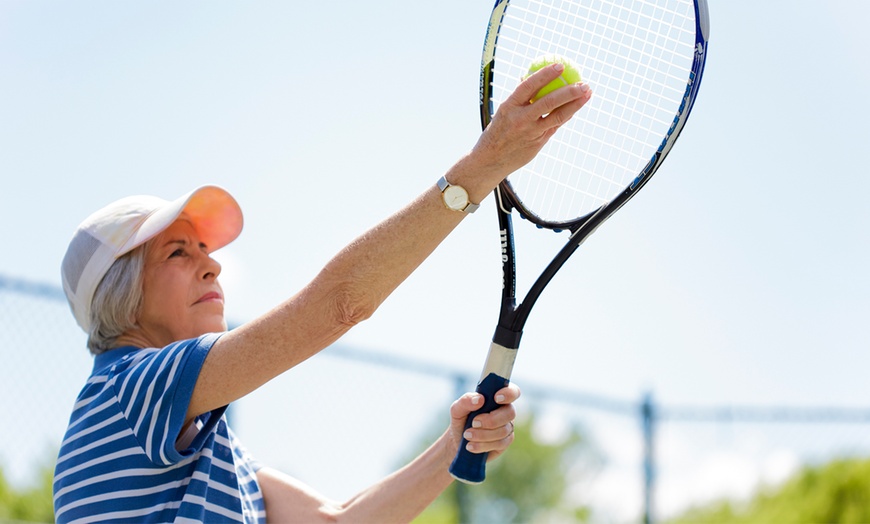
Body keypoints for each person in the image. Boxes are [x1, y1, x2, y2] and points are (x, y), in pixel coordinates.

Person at [52, 64, 593, 523]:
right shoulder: (132, 387)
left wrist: (455, 444)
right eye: (178, 252)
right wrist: (482, 167)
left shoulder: (201, 445)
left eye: (204, 248)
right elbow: (337, 305)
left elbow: (339, 520)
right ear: (121, 297)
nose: (212, 265)